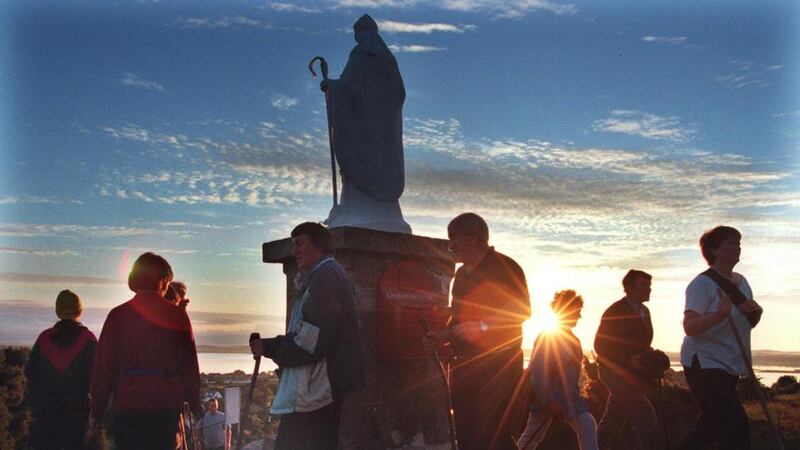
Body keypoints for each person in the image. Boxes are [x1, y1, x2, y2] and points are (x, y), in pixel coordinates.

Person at [249, 222, 365, 450]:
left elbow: (308, 344)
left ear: (319, 244)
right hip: (320, 389)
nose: (295, 251)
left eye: (300, 243)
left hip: (316, 392)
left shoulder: (325, 277)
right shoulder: (327, 274)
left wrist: (269, 347)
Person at [423, 212, 531, 450]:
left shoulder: (506, 267)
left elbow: (523, 311)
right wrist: (441, 337)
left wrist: (483, 326)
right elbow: (459, 321)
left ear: (473, 238)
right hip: (464, 365)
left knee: (491, 435)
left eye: (453, 237)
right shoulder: (461, 275)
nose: (449, 245)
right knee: (465, 432)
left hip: (499, 365)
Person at [90, 252, 202, 450]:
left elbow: (104, 366)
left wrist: (97, 409)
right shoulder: (177, 316)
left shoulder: (117, 316)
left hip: (127, 403)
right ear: (161, 280)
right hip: (165, 404)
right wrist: (195, 403)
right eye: (167, 281)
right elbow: (189, 364)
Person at [321, 14, 411, 233]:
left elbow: (350, 87)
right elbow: (398, 94)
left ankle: (358, 213)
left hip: (364, 133)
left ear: (359, 34)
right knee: (381, 166)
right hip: (384, 132)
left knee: (362, 164)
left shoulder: (361, 55)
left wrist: (331, 87)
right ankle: (376, 213)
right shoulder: (389, 62)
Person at [679, 226, 763, 450]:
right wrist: (718, 315)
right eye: (731, 243)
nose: (738, 247)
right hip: (704, 363)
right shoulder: (702, 285)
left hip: (729, 363)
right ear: (715, 250)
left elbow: (745, 324)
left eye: (738, 242)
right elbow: (690, 327)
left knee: (711, 427)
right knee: (736, 428)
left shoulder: (741, 282)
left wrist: (755, 310)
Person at [517, 290, 598, 450]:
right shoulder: (547, 337)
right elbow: (539, 373)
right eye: (577, 311)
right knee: (532, 437)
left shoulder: (574, 341)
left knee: (588, 425)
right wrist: (549, 400)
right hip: (550, 399)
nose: (579, 316)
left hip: (570, 399)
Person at [594, 269, 663, 450]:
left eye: (649, 285)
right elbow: (600, 346)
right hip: (614, 373)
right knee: (645, 415)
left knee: (612, 419)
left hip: (631, 374)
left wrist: (649, 356)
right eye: (644, 285)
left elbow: (642, 343)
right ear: (629, 288)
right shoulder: (615, 311)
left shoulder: (645, 311)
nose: (648, 289)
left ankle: (593, 446)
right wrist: (629, 360)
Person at [26, 289, 97, 450]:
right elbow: (97, 374)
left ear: (57, 311)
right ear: (79, 311)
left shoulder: (44, 338)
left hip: (47, 408)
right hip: (78, 409)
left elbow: (31, 371)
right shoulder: (89, 339)